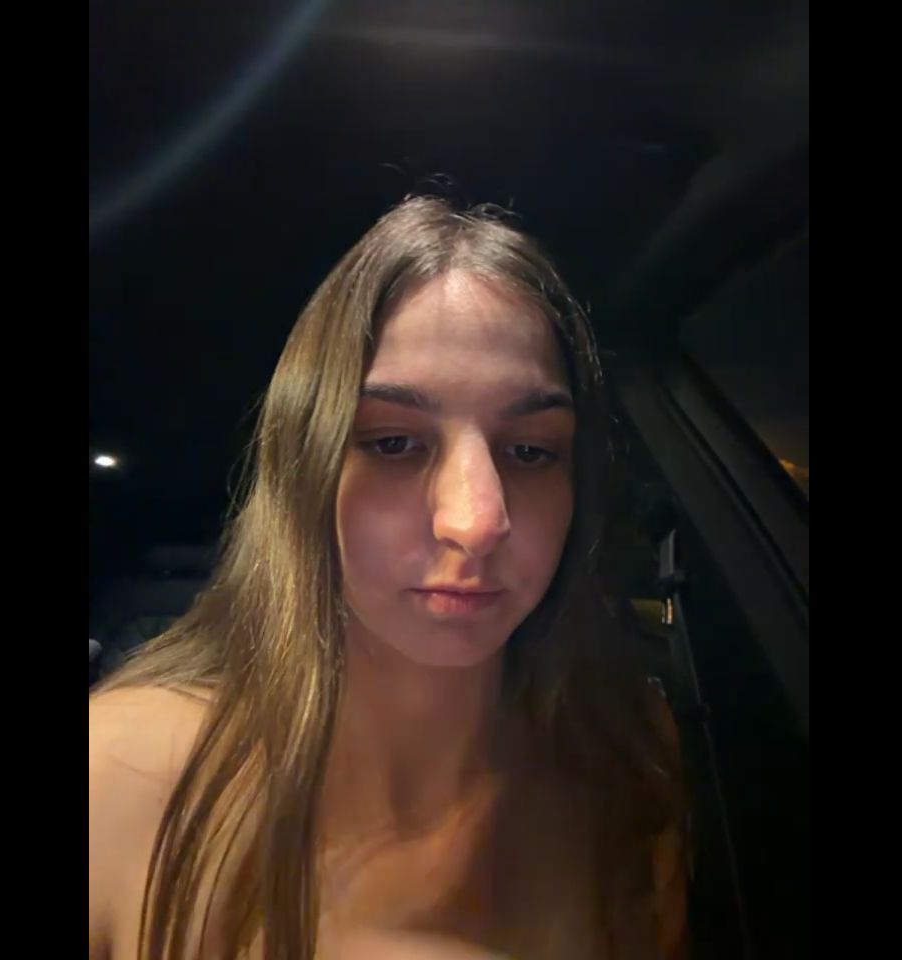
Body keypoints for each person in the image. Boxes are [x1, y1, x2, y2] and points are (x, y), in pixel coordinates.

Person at [89, 197, 687, 960]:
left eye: (532, 451)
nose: (476, 521)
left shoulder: (622, 749)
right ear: (305, 468)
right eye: (395, 442)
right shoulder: (116, 776)